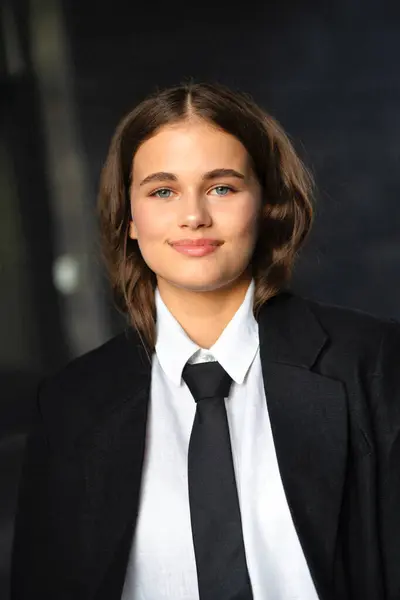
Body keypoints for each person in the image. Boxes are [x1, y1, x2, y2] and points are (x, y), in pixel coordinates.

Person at [11, 82, 400, 600]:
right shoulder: (70, 404)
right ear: (129, 217)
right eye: (162, 190)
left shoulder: (370, 365)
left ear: (266, 204)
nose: (193, 215)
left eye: (222, 187)